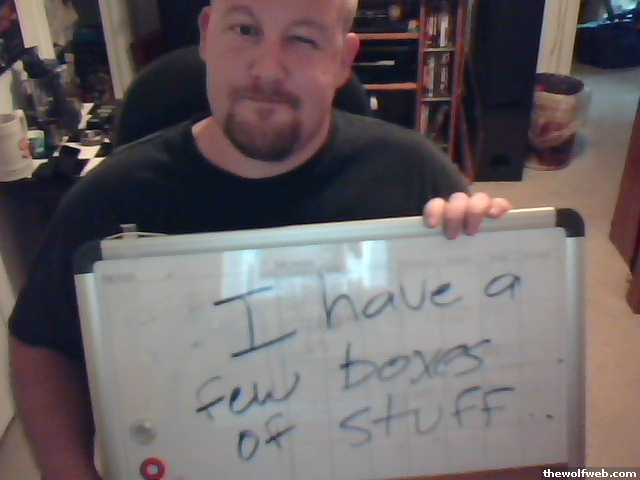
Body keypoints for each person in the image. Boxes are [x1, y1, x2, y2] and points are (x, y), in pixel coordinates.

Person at [8, 0, 511, 478]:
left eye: (303, 39)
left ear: (342, 60)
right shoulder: (110, 198)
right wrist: (67, 471)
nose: (267, 69)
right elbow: (40, 344)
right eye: (245, 30)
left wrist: (482, 255)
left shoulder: (414, 177)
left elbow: (472, 362)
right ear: (208, 34)